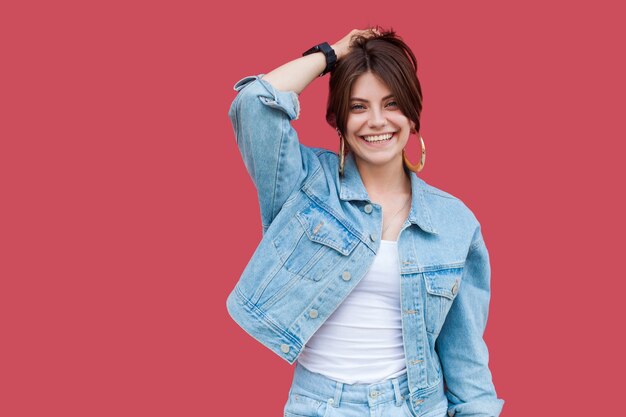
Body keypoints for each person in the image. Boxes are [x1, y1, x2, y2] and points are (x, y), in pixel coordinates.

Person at [226, 28, 504, 417]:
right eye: (358, 107)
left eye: (391, 104)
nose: (377, 121)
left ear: (412, 113)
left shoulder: (454, 222)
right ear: (338, 120)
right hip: (318, 406)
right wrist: (333, 53)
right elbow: (254, 103)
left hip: (414, 407)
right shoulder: (304, 185)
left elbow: (465, 358)